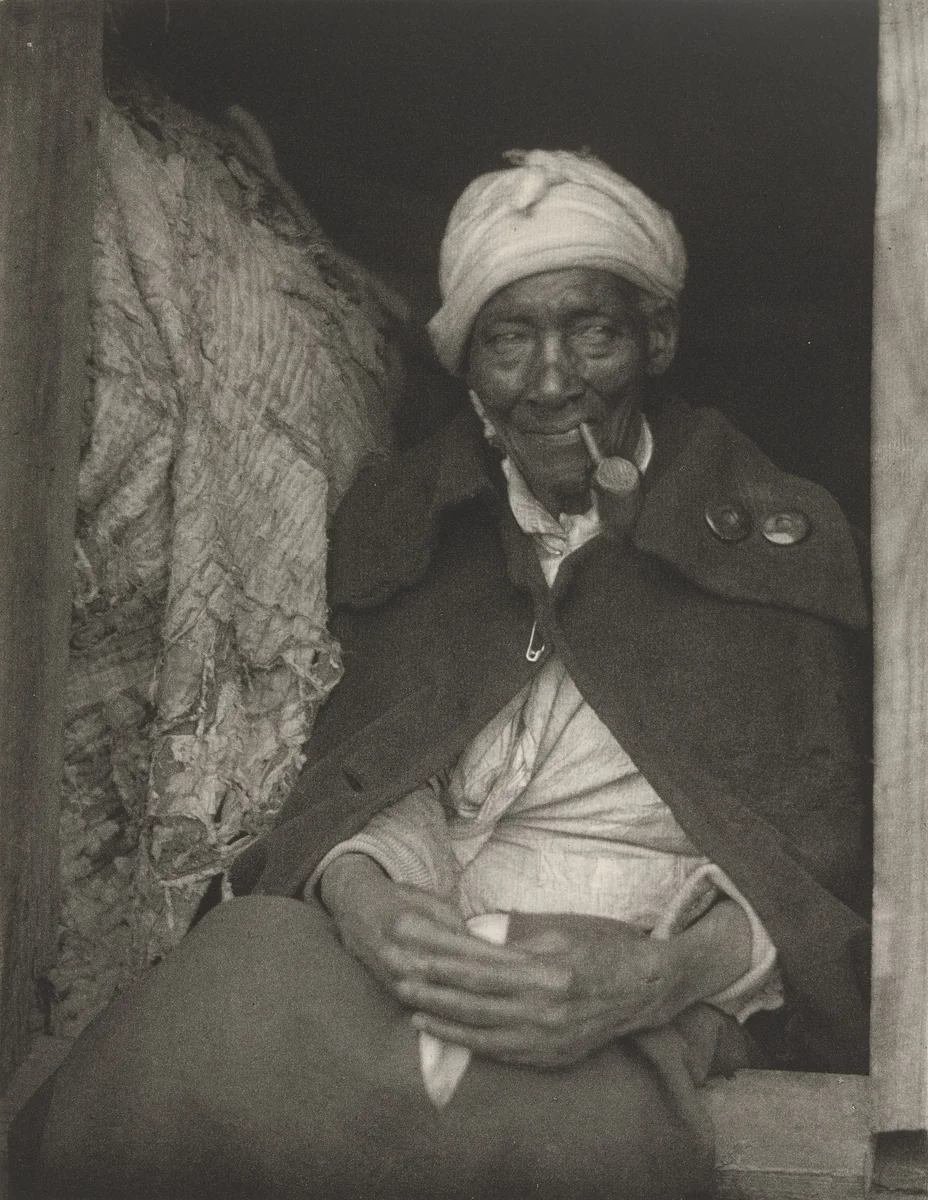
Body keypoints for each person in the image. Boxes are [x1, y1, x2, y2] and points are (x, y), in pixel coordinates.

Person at [10, 150, 871, 1200]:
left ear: (658, 337)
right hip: (410, 936)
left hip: (635, 960)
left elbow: (817, 864)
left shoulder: (779, 538)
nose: (552, 380)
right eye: (508, 338)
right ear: (466, 365)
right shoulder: (409, 518)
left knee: (558, 1145)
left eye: (591, 329)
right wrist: (370, 898)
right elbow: (371, 769)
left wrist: (657, 976)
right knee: (204, 1019)